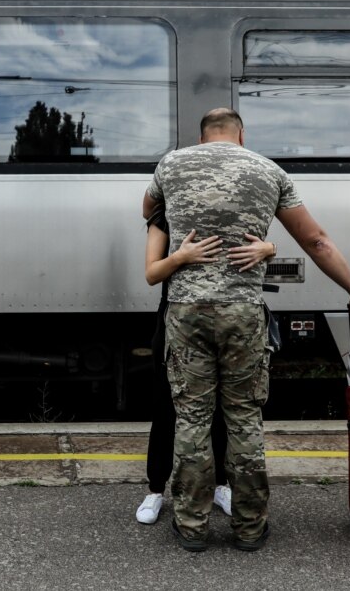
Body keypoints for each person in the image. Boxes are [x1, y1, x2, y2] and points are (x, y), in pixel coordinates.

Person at [143, 107, 350, 552]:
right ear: (241, 135)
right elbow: (317, 241)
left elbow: (148, 209)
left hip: (186, 310)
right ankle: (250, 528)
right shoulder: (269, 170)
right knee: (244, 417)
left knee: (192, 419)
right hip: (243, 311)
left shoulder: (171, 163)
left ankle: (191, 527)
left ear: (202, 135)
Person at [135, 205, 276, 525]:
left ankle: (221, 486)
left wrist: (270, 248)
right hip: (176, 323)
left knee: (227, 407)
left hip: (229, 323)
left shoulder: (231, 211)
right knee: (167, 406)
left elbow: (260, 247)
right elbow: (151, 273)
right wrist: (181, 257)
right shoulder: (166, 215)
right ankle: (156, 489)